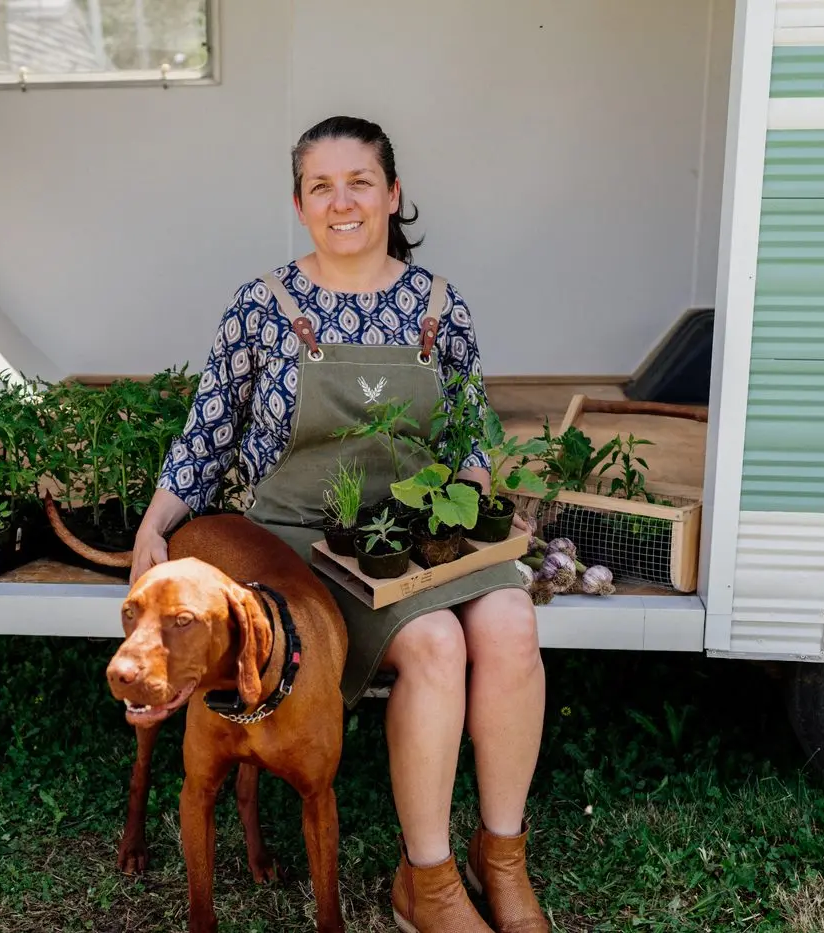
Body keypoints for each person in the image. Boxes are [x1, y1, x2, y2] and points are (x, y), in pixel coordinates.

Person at [130, 115, 548, 933]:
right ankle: (424, 882)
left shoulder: (438, 304)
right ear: (298, 204)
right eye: (320, 186)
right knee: (434, 644)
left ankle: (501, 858)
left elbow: (470, 431)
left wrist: (466, 490)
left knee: (509, 621)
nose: (342, 201)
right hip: (295, 542)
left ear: (393, 194)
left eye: (360, 181)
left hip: (411, 531)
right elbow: (209, 429)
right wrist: (156, 524)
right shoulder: (262, 304)